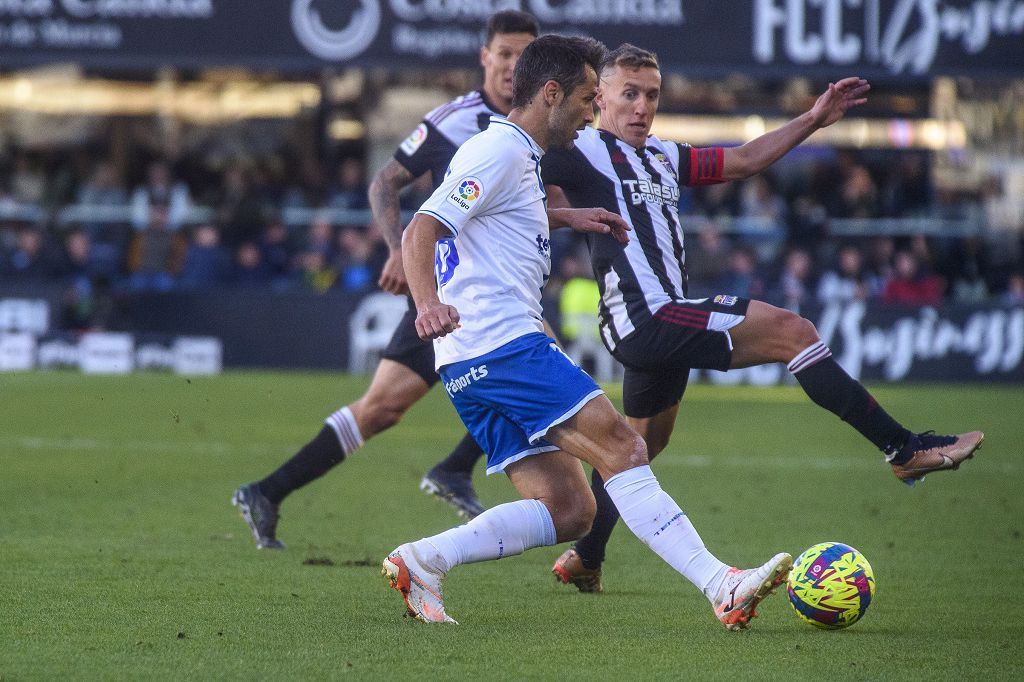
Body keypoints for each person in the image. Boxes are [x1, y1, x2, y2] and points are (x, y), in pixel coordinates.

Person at [381, 34, 791, 630]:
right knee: (625, 447)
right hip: (502, 344)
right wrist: (426, 304)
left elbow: (494, 212)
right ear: (551, 94)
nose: (591, 112)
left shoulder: (515, 156)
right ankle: (720, 583)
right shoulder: (497, 149)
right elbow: (423, 228)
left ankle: (423, 560)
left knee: (570, 508)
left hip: (467, 360)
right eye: (584, 98)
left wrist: (567, 215)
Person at [538, 44, 983, 593]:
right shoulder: (579, 147)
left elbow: (744, 160)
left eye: (651, 94)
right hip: (644, 317)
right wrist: (564, 214)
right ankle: (904, 449)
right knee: (793, 332)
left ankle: (587, 554)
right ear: (599, 96)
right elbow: (514, 190)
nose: (641, 106)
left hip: (662, 321)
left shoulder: (661, 156)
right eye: (628, 94)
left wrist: (814, 119)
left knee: (638, 449)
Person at [231, 10, 540, 549]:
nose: (514, 66)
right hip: (442, 293)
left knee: (506, 383)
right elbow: (385, 182)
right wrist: (399, 248)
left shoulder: (538, 126)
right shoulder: (453, 120)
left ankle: (273, 490)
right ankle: (270, 492)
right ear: (484, 57)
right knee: (388, 407)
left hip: (495, 292)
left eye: (525, 56)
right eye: (505, 54)